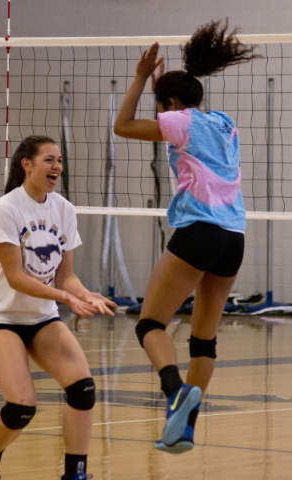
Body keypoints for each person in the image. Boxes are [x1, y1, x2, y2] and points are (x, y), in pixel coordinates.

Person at [114, 19, 261, 454]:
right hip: (234, 237)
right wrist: (165, 88)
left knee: (150, 324)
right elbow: (180, 117)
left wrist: (142, 78)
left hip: (199, 231)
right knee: (203, 339)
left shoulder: (178, 121)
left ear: (171, 103)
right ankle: (184, 427)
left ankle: (175, 390)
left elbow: (123, 125)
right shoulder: (224, 122)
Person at [0, 135, 117, 480]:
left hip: (42, 319)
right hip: (3, 320)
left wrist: (84, 293)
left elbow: (65, 276)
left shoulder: (63, 209)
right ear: (27, 164)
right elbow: (15, 277)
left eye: (60, 161)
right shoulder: (7, 208)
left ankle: (75, 474)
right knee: (21, 407)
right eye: (50, 160)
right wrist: (65, 298)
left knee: (83, 389)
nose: (57, 168)